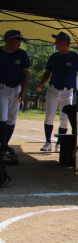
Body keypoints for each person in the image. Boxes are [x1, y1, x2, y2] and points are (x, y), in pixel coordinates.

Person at [35, 32, 78, 152]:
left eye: (58, 41)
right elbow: (48, 72)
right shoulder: (54, 57)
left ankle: (59, 143)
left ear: (65, 43)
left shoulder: (75, 57)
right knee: (49, 116)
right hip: (53, 88)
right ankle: (48, 142)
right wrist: (41, 84)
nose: (56, 43)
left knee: (64, 118)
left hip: (67, 91)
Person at [0, 30, 30, 164]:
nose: (19, 44)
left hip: (16, 88)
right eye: (17, 41)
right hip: (1, 88)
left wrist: (22, 91)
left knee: (11, 119)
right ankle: (3, 146)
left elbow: (25, 74)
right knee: (2, 116)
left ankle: (4, 145)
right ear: (8, 41)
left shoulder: (22, 54)